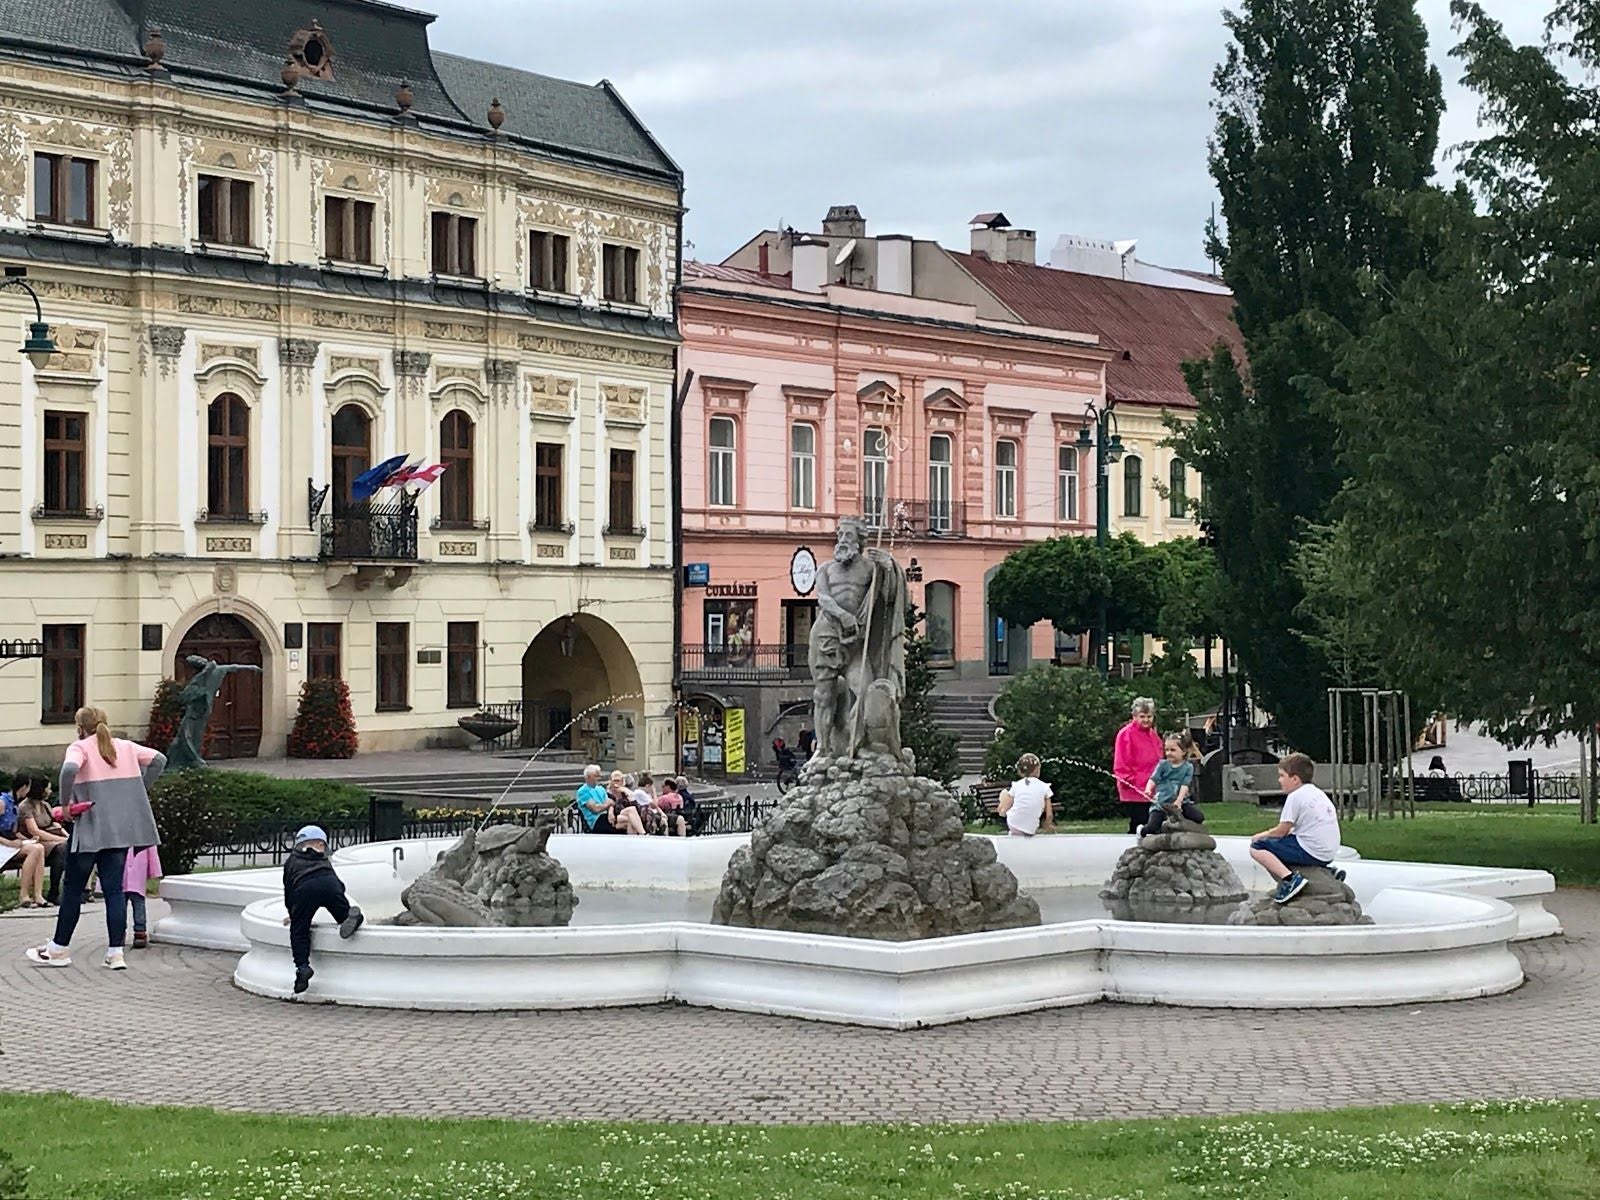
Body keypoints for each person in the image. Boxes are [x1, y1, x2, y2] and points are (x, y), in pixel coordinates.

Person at [26, 706, 166, 971]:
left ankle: (58, 949)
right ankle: (115, 954)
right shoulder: (124, 746)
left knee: (73, 890)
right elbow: (159, 760)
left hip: (88, 830)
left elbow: (68, 771)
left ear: (80, 727)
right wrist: (137, 791)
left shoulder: (79, 747)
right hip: (118, 832)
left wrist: (66, 805)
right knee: (115, 891)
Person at [1249, 752, 1344, 904]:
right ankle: (1327, 872)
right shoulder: (1317, 793)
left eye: (1282, 775)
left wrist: (1261, 835)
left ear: (1294, 779)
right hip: (1327, 853)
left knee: (1258, 848)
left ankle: (1290, 880)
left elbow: (1281, 831)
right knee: (1286, 842)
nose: (1279, 780)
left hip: (1312, 851)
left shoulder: (1295, 796)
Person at [281, 824, 364, 994]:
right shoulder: (323, 860)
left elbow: (288, 890)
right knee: (343, 916)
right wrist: (340, 896)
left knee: (300, 930)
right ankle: (353, 917)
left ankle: (302, 967)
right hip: (329, 884)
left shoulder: (291, 862)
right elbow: (339, 884)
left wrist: (293, 913)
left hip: (303, 889)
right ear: (320, 845)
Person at [1113, 697, 1163, 835]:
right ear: (1134, 716)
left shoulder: (1152, 734)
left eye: (1149, 716)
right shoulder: (1126, 734)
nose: (1146, 720)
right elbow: (1121, 762)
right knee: (1140, 822)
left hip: (1151, 787)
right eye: (1142, 716)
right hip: (1135, 789)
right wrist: (1130, 781)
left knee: (1152, 823)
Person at [18, 778, 69, 906]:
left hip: (49, 839)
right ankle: (53, 892)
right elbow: (35, 831)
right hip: (33, 840)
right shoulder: (26, 806)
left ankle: (61, 890)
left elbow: (54, 824)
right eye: (48, 788)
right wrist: (60, 839)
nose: (50, 791)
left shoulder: (45, 805)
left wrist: (66, 835)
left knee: (64, 848)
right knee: (61, 847)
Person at [1141, 735, 1204, 837]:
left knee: (1198, 817)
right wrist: (1148, 789)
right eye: (1166, 750)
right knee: (1152, 826)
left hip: (1180, 802)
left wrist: (1179, 800)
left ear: (1183, 751)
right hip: (1161, 803)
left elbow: (1185, 784)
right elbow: (1153, 779)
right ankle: (1142, 831)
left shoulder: (1188, 767)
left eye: (1173, 750)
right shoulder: (1163, 765)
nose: (1168, 753)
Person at [1, 774, 48, 908]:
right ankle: (24, 894)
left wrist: (27, 839)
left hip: (9, 843)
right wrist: (9, 842)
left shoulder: (15, 805)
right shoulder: (3, 802)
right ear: (24, 787)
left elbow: (14, 831)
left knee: (38, 847)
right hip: (3, 844)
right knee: (35, 850)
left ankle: (37, 895)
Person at [575, 764, 643, 835]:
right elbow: (596, 809)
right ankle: (642, 836)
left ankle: (641, 835)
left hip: (608, 816)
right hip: (597, 821)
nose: (598, 778)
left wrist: (610, 811)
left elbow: (611, 803)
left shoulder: (600, 789)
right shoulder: (583, 791)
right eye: (596, 776)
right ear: (588, 777)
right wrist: (607, 805)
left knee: (631, 810)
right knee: (630, 821)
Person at [997, 753, 1054, 837]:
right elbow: (1049, 814)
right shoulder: (1045, 787)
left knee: (1005, 793)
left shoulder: (1016, 785)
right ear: (1037, 769)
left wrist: (1003, 810)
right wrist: (1048, 825)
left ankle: (1012, 832)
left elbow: (1007, 806)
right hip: (1031, 828)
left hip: (1013, 823)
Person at [123, 844, 163, 949]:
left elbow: (150, 843)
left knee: (137, 900)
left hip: (137, 864)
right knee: (121, 901)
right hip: (122, 863)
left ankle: (139, 931)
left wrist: (154, 869)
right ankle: (121, 931)